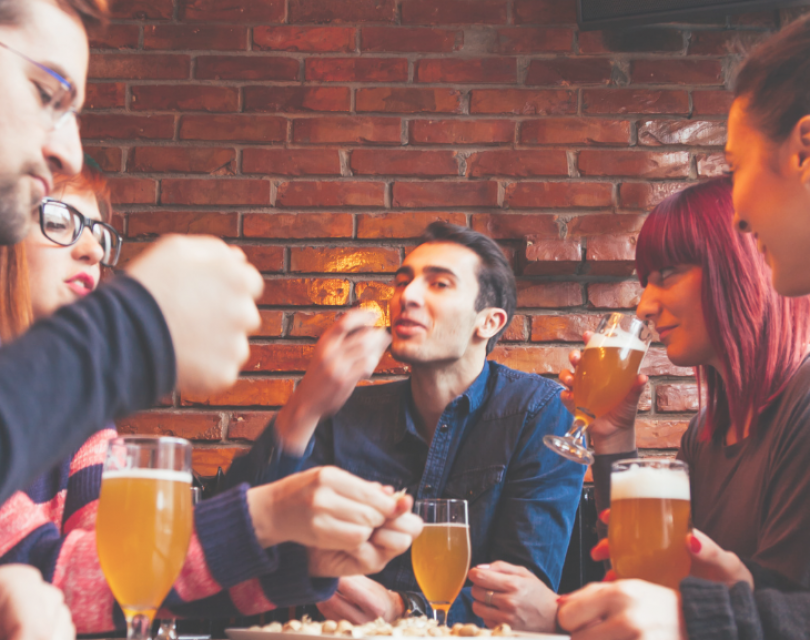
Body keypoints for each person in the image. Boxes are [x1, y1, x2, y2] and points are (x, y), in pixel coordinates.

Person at [0, 164, 423, 633]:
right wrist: (265, 518)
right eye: (59, 222)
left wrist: (303, 558)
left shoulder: (82, 422)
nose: (94, 249)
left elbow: (118, 578)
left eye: (101, 233)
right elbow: (39, 575)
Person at [227, 223, 586, 630]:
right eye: (402, 282)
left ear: (488, 322)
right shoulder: (346, 410)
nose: (406, 296)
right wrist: (305, 404)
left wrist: (403, 609)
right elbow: (235, 539)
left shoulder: (540, 411)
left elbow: (520, 596)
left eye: (439, 284)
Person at [0, 0, 265, 507]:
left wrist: (271, 522)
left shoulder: (79, 418)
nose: (70, 152)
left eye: (101, 237)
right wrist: (134, 329)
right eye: (45, 93)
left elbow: (74, 568)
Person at [556, 179, 810, 638]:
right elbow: (642, 582)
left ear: (742, 265)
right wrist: (614, 438)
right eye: (645, 282)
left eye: (667, 273)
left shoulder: (803, 405)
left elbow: (792, 610)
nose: (645, 305)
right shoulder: (705, 433)